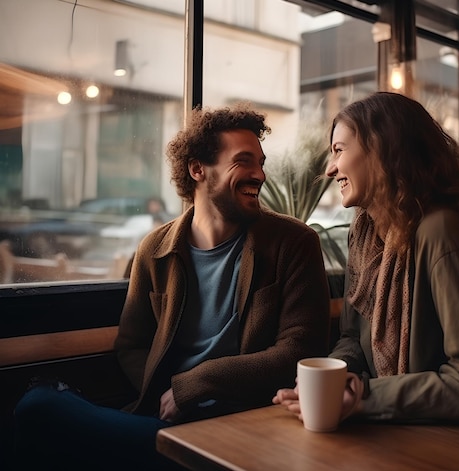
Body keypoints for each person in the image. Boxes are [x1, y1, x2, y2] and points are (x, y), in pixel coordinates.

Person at [13, 103, 331, 470]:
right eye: (244, 161)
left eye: (261, 163)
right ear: (197, 169)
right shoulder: (155, 249)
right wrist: (168, 395)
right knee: (37, 411)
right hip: (165, 421)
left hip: (247, 425)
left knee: (43, 408)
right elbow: (132, 345)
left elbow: (300, 351)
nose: (259, 174)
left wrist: (195, 385)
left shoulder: (293, 242)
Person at [274, 91, 459, 424]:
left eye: (339, 151)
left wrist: (362, 394)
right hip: (410, 430)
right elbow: (352, 340)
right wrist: (331, 383)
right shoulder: (366, 234)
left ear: (383, 150)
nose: (330, 169)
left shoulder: (444, 233)